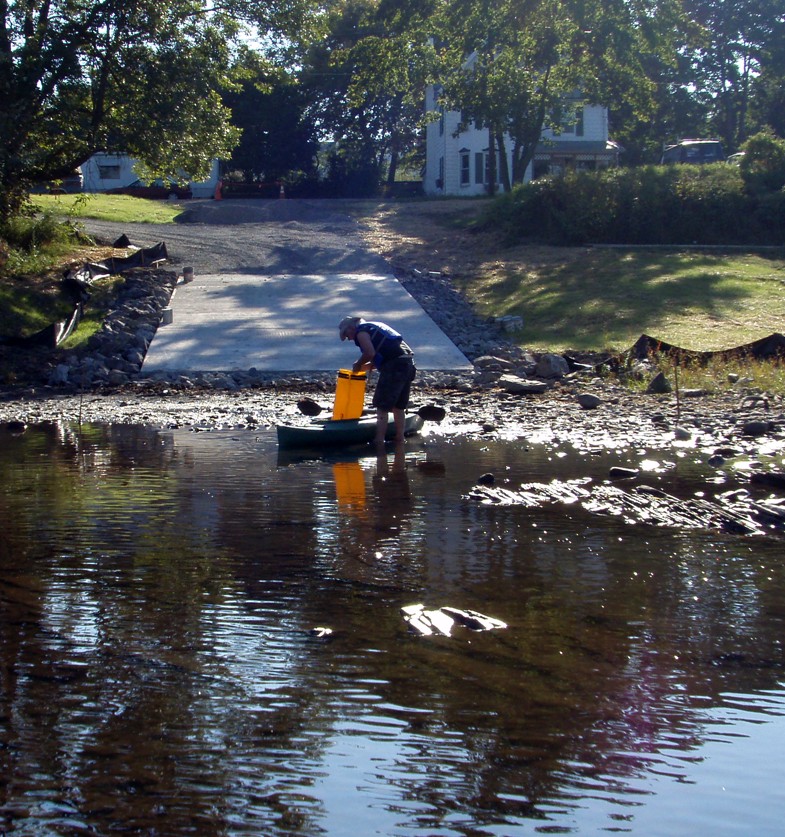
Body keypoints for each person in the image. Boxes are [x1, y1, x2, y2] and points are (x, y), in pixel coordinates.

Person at [338, 316, 416, 444]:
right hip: (408, 364)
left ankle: (379, 440)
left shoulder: (361, 332)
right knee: (398, 405)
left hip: (394, 366)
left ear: (352, 328)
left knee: (382, 406)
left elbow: (370, 353)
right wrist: (364, 367)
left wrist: (357, 364)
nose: (349, 339)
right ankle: (400, 437)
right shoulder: (375, 328)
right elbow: (386, 354)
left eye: (347, 335)